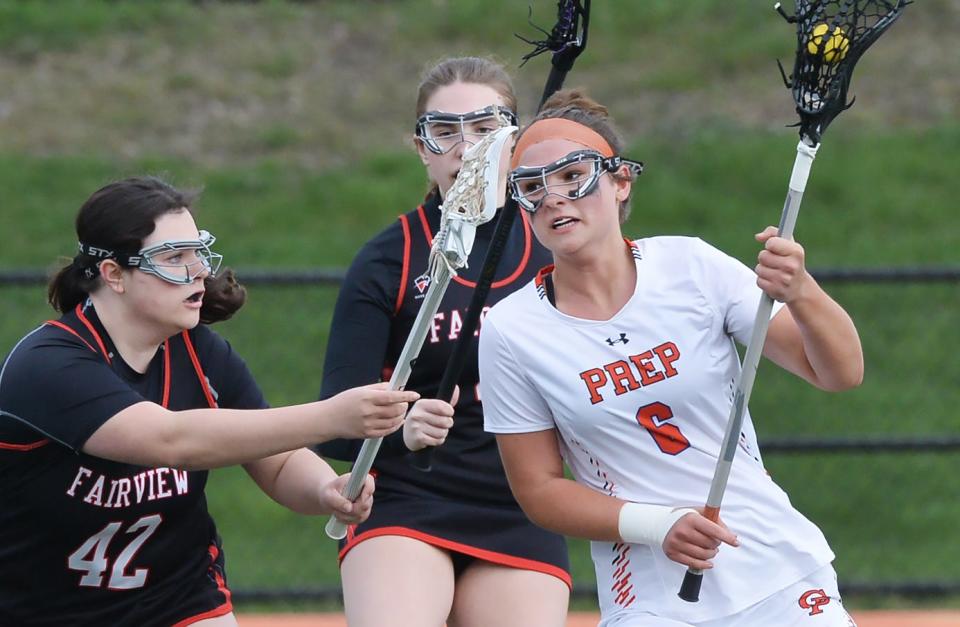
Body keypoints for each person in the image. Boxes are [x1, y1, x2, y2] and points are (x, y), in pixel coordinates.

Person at [479, 90, 865, 626]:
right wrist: (658, 525)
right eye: (532, 187)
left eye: (573, 177)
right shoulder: (511, 330)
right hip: (652, 595)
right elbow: (539, 490)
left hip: (774, 568)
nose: (554, 198)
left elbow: (840, 372)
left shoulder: (692, 266)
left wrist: (802, 291)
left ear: (620, 182)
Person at [0, 176, 419, 627]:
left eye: (197, 252)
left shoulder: (200, 351)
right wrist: (333, 417)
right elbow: (170, 440)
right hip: (40, 609)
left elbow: (276, 461)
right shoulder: (48, 363)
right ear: (114, 275)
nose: (199, 270)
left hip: (177, 598)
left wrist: (324, 488)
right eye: (174, 258)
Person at [317, 57, 571, 626]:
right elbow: (333, 422)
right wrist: (399, 429)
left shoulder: (556, 248)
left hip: (521, 504)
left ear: (515, 140)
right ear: (421, 147)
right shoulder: (390, 258)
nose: (467, 148)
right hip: (406, 499)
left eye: (487, 129)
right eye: (445, 132)